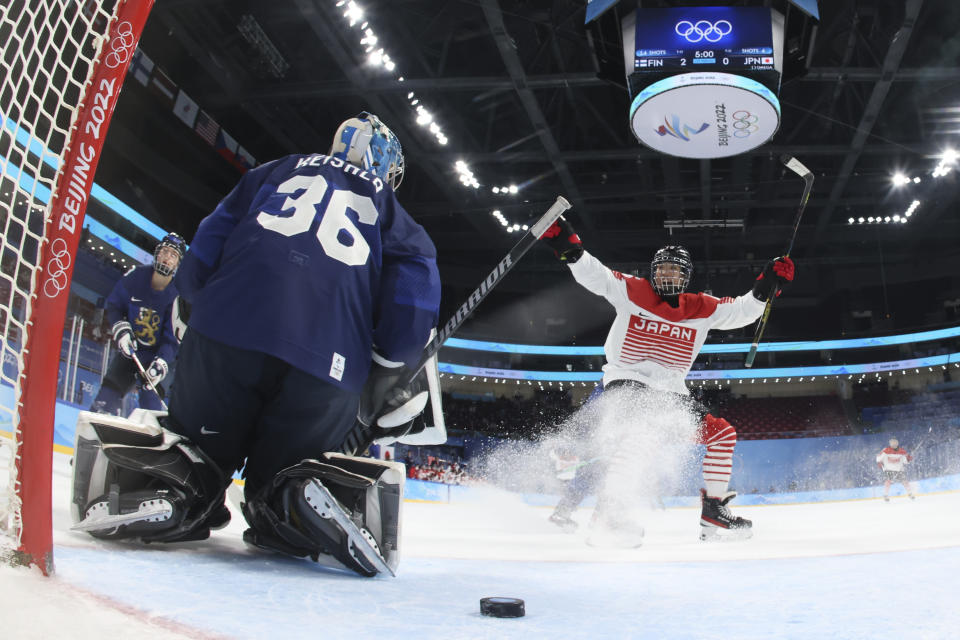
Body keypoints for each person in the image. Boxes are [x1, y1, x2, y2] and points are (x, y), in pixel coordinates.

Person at [70, 112, 442, 578]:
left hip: (225, 331)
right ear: (383, 163)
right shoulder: (394, 213)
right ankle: (288, 503)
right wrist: (388, 365)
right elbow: (412, 302)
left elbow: (207, 243)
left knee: (199, 449)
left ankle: (178, 484)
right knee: (290, 467)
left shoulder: (277, 169)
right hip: (325, 362)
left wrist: (198, 300)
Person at [540, 216, 795, 544]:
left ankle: (713, 513)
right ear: (652, 271)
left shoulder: (703, 307)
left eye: (675, 270)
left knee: (722, 435)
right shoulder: (632, 290)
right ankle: (610, 515)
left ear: (686, 276)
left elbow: (743, 311)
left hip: (670, 393)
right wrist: (568, 246)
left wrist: (765, 285)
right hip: (627, 382)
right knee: (637, 437)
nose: (667, 274)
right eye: (661, 269)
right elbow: (596, 275)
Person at [89, 233, 186, 415]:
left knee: (150, 410)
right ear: (157, 253)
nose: (167, 258)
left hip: (158, 359)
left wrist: (161, 363)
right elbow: (115, 305)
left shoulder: (178, 297)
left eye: (173, 255)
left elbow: (172, 339)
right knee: (104, 403)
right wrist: (121, 329)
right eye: (165, 251)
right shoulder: (136, 277)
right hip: (131, 353)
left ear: (178, 264)